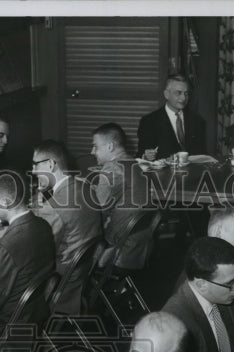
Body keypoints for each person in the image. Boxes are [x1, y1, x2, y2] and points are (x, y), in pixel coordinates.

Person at [31, 139, 103, 315]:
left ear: (50, 164)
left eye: (35, 165)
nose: (33, 171)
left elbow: (39, 251)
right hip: (86, 268)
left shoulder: (53, 207)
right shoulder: (87, 187)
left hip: (63, 279)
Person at [0, 172, 55, 328]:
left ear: (6, 202)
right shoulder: (43, 225)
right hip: (37, 311)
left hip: (9, 324)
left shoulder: (2, 248)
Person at [89, 122, 153, 270]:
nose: (92, 151)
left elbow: (96, 212)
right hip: (141, 242)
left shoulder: (111, 168)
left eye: (96, 147)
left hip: (121, 248)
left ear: (110, 147)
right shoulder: (133, 163)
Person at [137, 74, 206, 160]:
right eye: (178, 93)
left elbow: (202, 155)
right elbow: (140, 155)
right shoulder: (149, 122)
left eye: (186, 93)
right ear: (166, 94)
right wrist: (146, 156)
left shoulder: (197, 121)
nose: (183, 98)